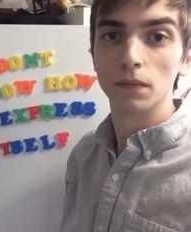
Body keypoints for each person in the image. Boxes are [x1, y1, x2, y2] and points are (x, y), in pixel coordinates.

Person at [60, 0, 191, 231]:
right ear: (93, 55)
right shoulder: (83, 157)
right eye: (112, 36)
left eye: (158, 37)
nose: (131, 57)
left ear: (186, 59)